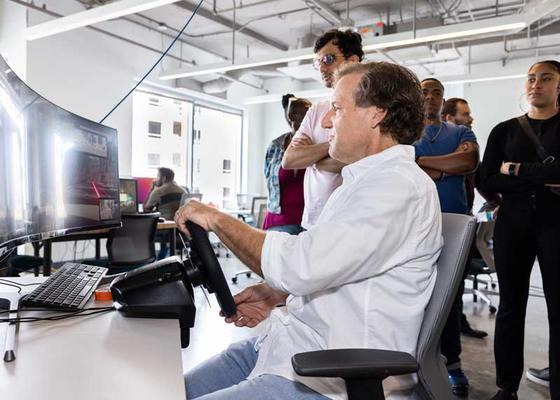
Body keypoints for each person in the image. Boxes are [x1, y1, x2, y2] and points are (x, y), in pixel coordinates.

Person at [175, 61, 443, 400]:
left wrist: (216, 219)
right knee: (169, 388)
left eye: (336, 108)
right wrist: (279, 294)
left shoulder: (397, 187)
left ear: (376, 114)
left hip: (330, 376)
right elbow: (332, 265)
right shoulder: (362, 182)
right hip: (287, 349)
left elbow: (299, 267)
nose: (327, 121)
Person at [479, 60, 560, 400]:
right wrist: (544, 178)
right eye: (530, 78)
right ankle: (506, 387)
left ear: (559, 86)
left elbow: (502, 175)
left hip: (556, 226)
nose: (536, 84)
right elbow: (486, 178)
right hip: (513, 224)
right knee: (511, 305)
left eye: (546, 78)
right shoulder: (504, 130)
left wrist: (514, 170)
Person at [414, 78, 479, 398]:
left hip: (455, 226)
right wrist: (445, 168)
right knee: (415, 296)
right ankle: (412, 364)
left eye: (435, 92)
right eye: (423, 91)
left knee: (450, 302)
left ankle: (452, 365)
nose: (429, 96)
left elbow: (468, 161)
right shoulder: (404, 133)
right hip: (413, 225)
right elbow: (402, 167)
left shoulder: (461, 133)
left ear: (443, 100)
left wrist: (422, 163)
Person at [282, 28, 363, 229]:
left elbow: (355, 162)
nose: (321, 68)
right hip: (311, 222)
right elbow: (289, 160)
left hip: (347, 223)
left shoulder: (367, 108)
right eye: (318, 62)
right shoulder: (317, 109)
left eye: (327, 59)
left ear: (352, 61)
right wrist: (333, 146)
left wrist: (311, 158)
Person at [442, 97, 489, 340]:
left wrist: (497, 202)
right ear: (449, 117)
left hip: (464, 219)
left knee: (456, 284)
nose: (470, 118)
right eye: (465, 113)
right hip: (443, 220)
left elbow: (472, 168)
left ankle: (457, 323)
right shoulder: (444, 143)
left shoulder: (467, 142)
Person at [263, 94, 311, 234]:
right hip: (280, 220)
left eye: (307, 112)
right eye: (295, 113)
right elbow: (268, 179)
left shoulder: (319, 144)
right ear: (288, 116)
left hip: (312, 221)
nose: (300, 117)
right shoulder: (275, 146)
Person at [144, 167, 187, 258]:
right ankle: (165, 254)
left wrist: (152, 188)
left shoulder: (158, 191)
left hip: (165, 230)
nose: (156, 179)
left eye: (157, 176)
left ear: (163, 178)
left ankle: (156, 258)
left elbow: (146, 209)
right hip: (180, 230)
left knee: (147, 231)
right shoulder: (183, 191)